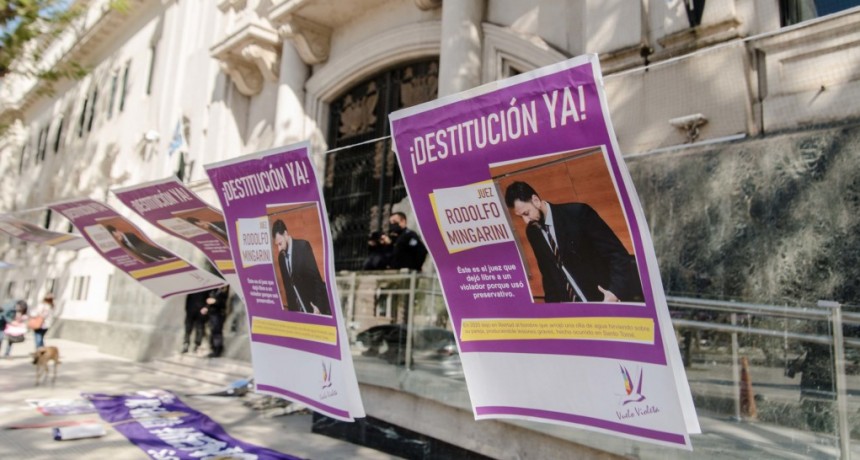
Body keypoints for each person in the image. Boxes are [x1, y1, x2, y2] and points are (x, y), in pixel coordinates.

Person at [504, 181, 643, 303]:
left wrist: (614, 292)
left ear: (535, 200)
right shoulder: (533, 232)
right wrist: (552, 311)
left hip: (604, 299)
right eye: (520, 216)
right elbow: (548, 274)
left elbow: (617, 255)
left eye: (526, 213)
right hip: (573, 308)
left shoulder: (578, 213)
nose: (526, 221)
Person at [272, 219, 331, 315]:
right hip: (298, 312)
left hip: (313, 308)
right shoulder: (281, 258)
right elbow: (288, 290)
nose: (279, 249)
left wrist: (318, 307)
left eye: (280, 243)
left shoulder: (303, 247)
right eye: (277, 245)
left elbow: (316, 279)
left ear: (286, 234)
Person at [105, 224, 174, 263]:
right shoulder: (123, 242)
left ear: (116, 231)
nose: (116, 237)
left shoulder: (130, 235)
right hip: (147, 257)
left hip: (152, 252)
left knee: (169, 259)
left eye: (115, 235)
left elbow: (143, 246)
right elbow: (135, 251)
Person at [205, 285, 229, 358]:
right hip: (212, 313)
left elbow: (223, 302)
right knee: (213, 331)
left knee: (217, 332)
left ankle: (217, 349)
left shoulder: (224, 291)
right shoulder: (214, 290)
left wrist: (215, 301)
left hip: (219, 313)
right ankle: (213, 348)